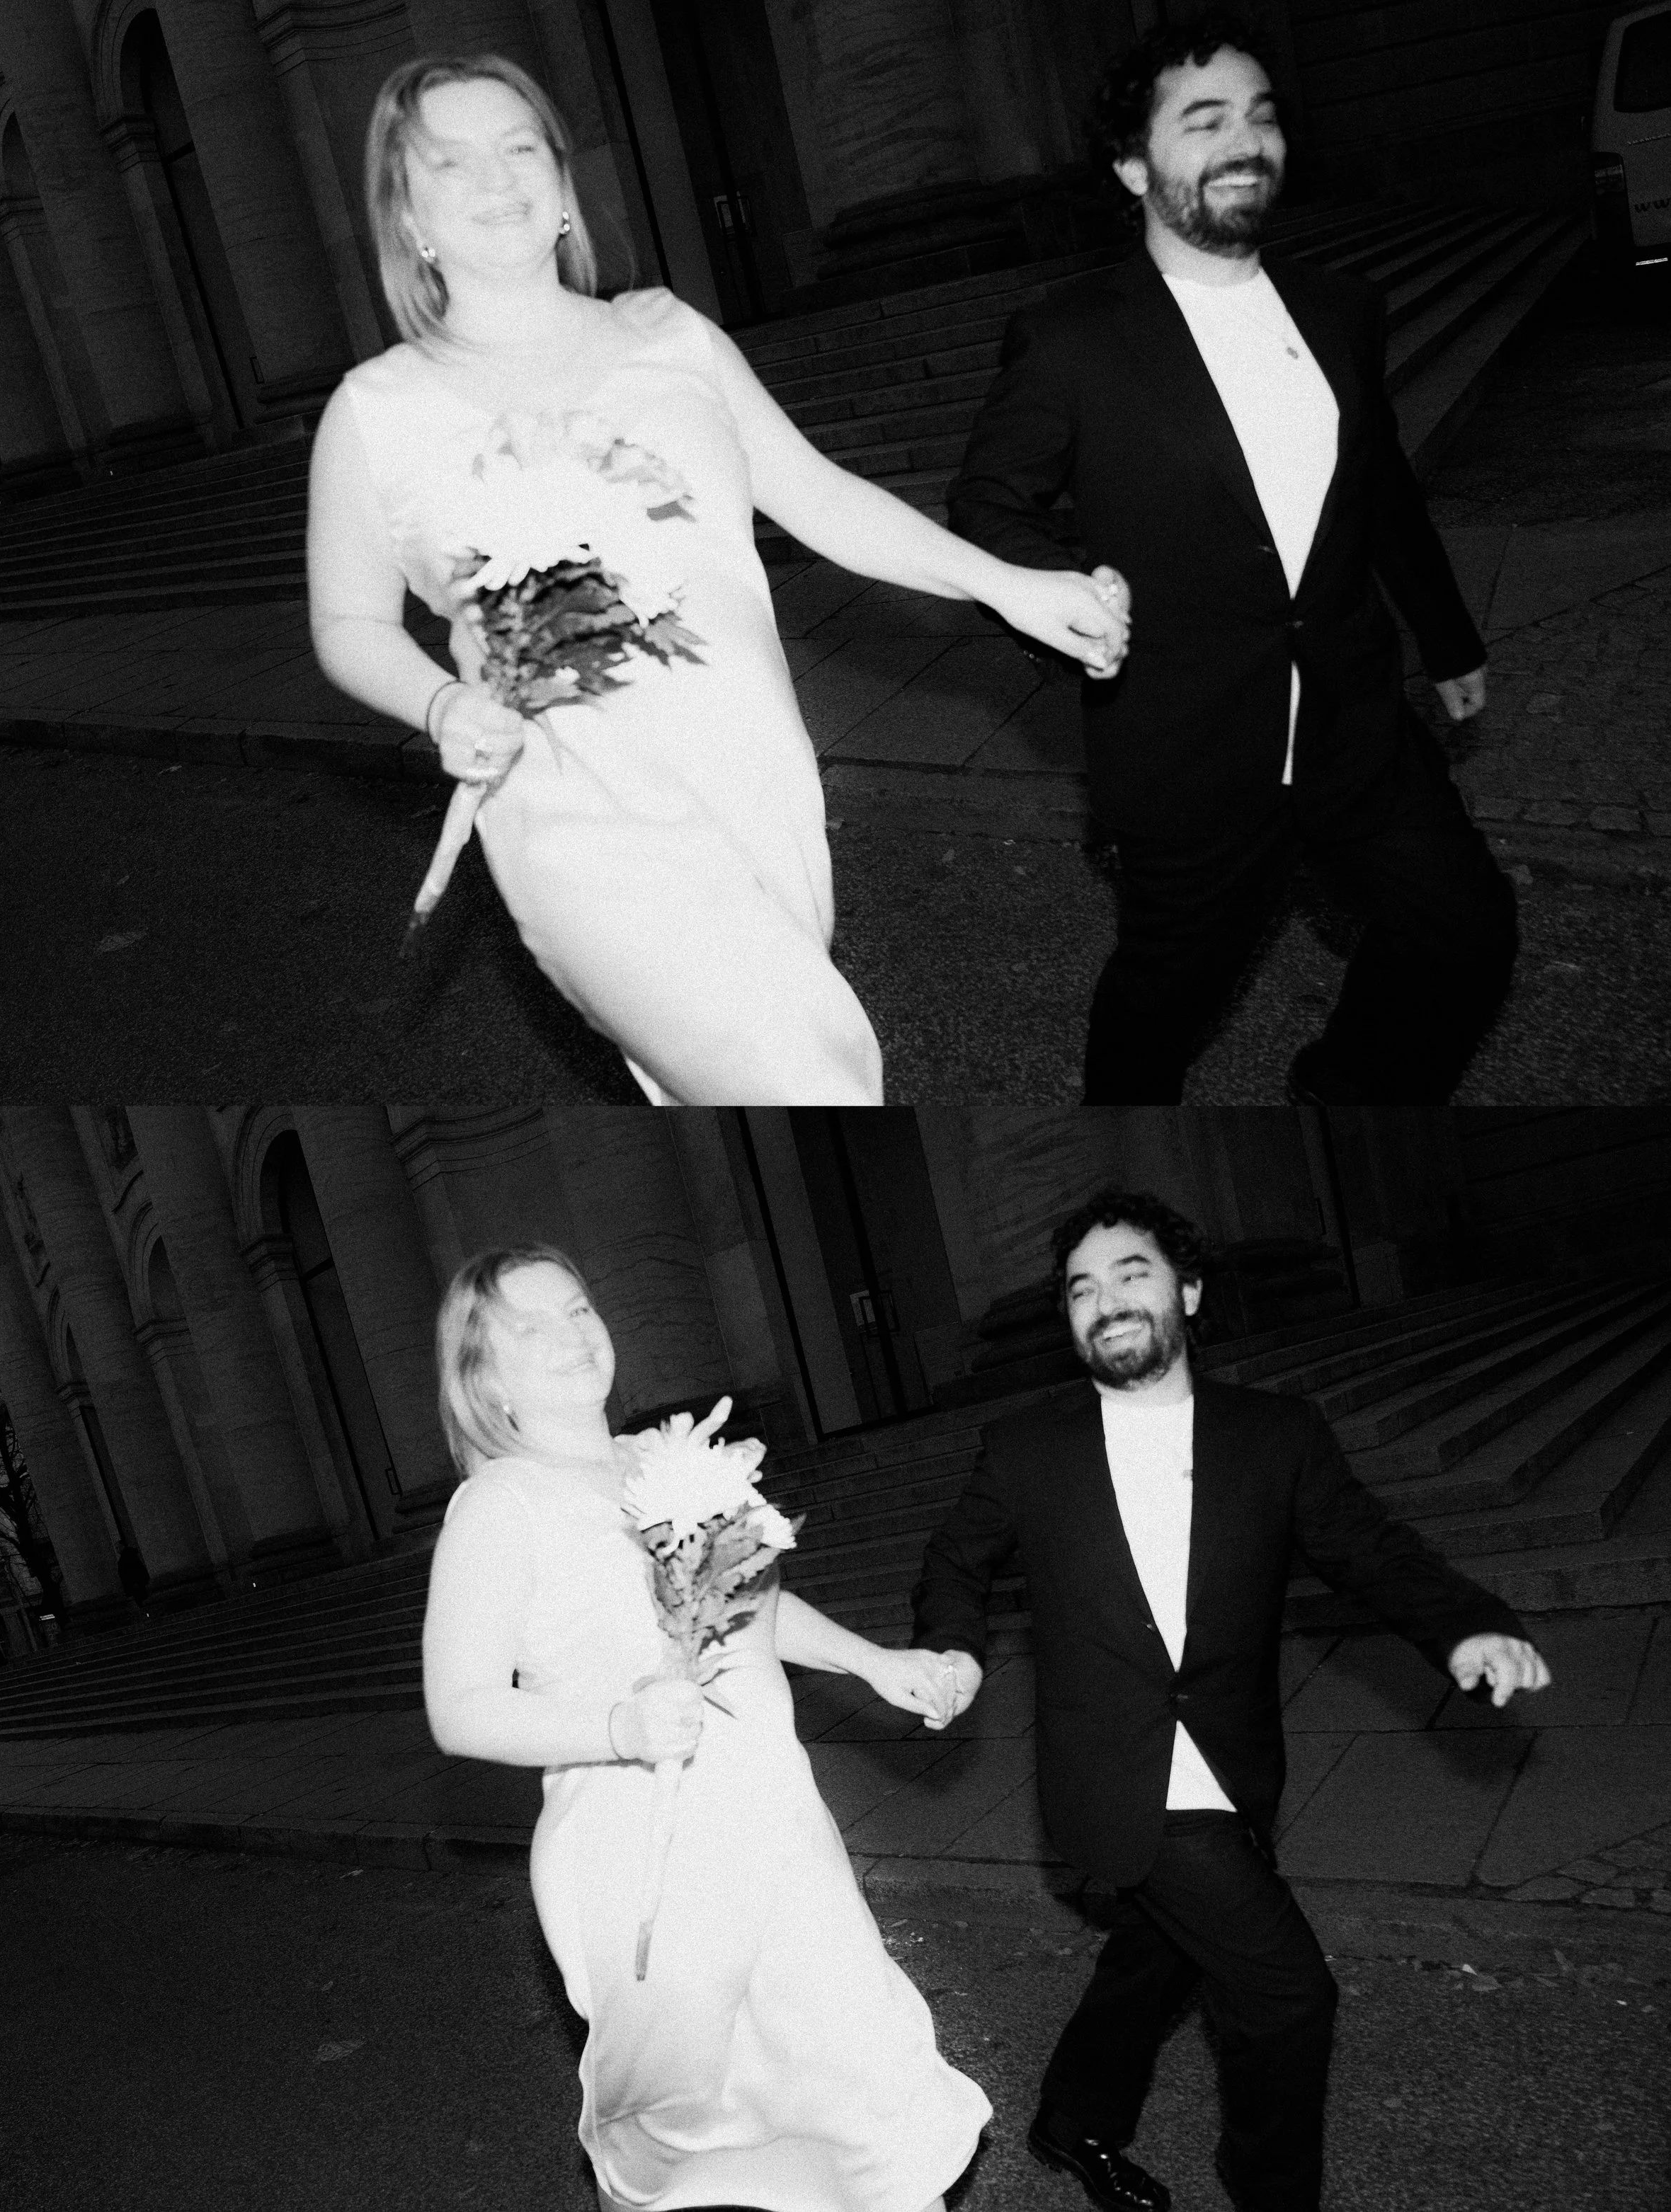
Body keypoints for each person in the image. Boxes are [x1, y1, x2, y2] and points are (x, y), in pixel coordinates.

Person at [309, 53, 1129, 1107]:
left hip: (753, 778)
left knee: (747, 1066)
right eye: (450, 162)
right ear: (408, 217)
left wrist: (1010, 585)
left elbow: (818, 496)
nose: (497, 179)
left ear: (563, 186)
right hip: (576, 820)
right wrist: (438, 700)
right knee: (800, 1072)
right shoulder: (377, 410)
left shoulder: (672, 335)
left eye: (521, 148)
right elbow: (346, 620)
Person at [909, 1188, 1551, 2212]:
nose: (1107, 1302)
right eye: (1084, 1289)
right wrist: (950, 1648)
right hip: (1112, 1771)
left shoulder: (1277, 1435)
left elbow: (1368, 1548)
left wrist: (1464, 1623)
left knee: (1163, 1952)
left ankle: (1074, 2118)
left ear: (1190, 1292)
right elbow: (955, 1560)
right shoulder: (1028, 1450)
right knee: (1287, 1994)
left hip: (1231, 1760)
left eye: (1134, 1275)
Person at [944, 12, 1517, 1104]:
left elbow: (1380, 485)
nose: (1244, 142)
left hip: (1356, 718)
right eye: (1204, 122)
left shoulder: (1344, 311)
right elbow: (989, 503)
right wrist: (1052, 593)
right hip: (1187, 746)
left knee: (1468, 933)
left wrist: (1447, 636)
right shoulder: (1072, 336)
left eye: (1261, 116)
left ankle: (1346, 1090)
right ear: (1131, 165)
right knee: (1159, 1018)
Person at [421, 1243, 991, 2212]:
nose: (573, 1336)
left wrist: (877, 1663)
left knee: (852, 2074)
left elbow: (755, 1605)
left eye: (580, 1308)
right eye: (531, 1328)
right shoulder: (497, 1505)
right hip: (642, 1847)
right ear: (486, 1375)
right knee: (705, 2131)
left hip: (771, 1816)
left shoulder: (672, 1459)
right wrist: (621, 1722)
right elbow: (459, 1709)